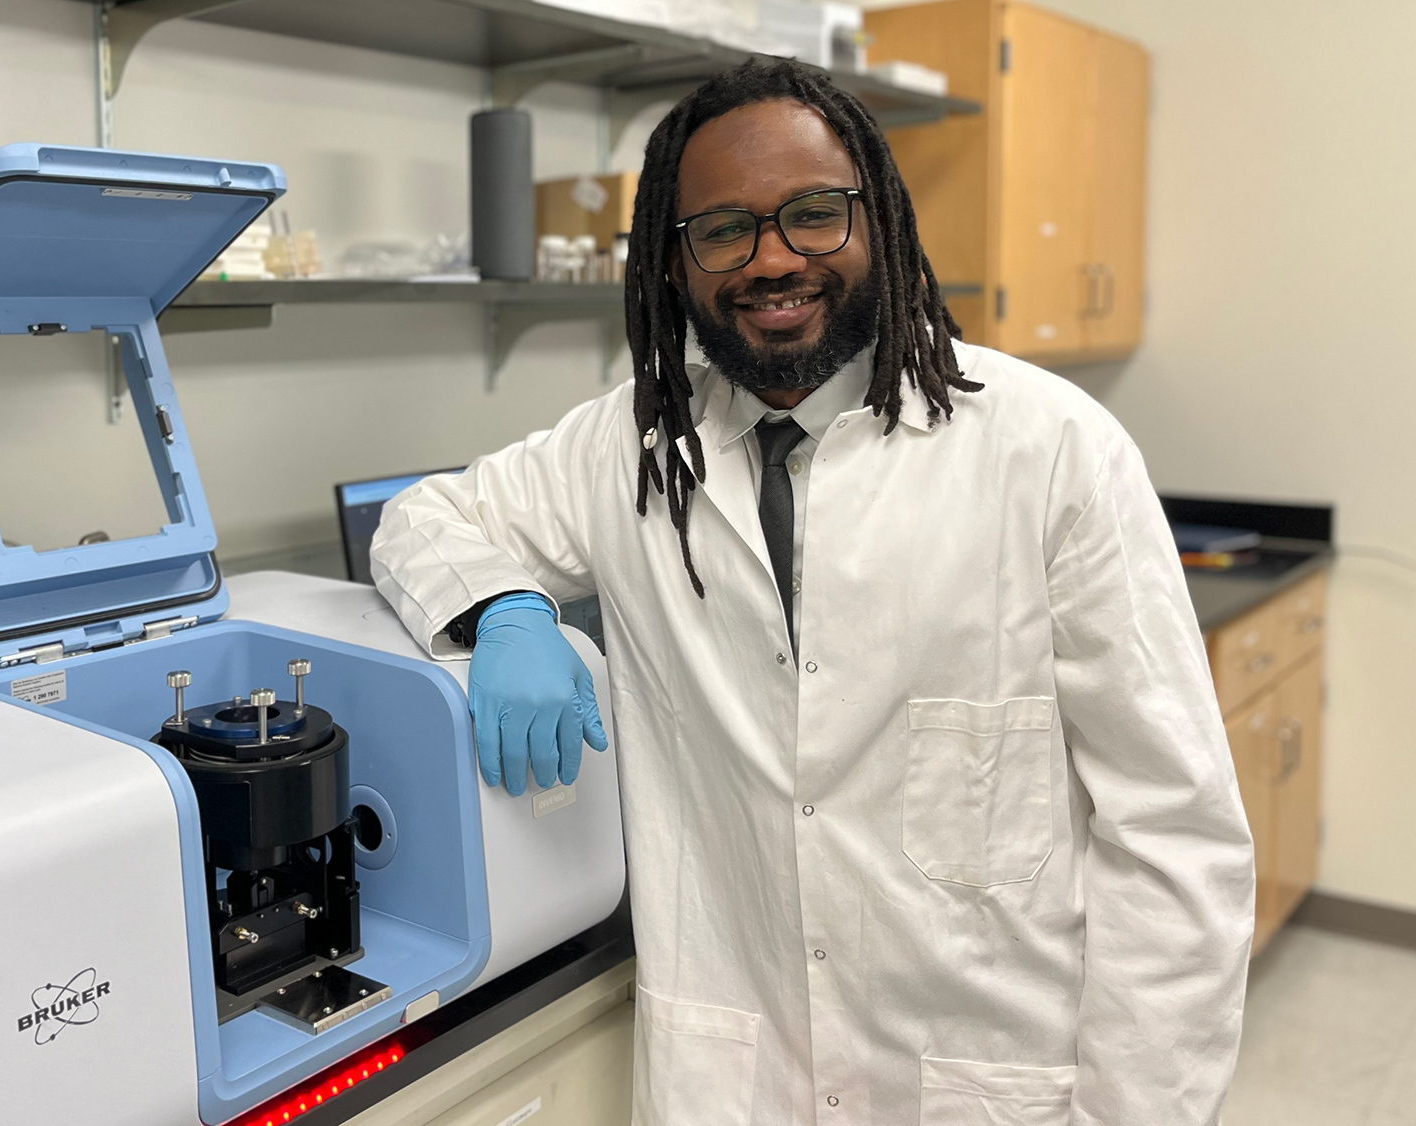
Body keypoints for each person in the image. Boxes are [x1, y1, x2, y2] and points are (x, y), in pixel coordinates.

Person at [370, 59, 1253, 1126]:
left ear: (874, 215)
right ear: (672, 260)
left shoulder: (1049, 450)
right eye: (722, 230)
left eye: (812, 214)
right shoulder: (631, 448)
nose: (771, 258)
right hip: (731, 1078)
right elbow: (423, 519)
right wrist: (505, 611)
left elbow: (1173, 836)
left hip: (990, 1087)